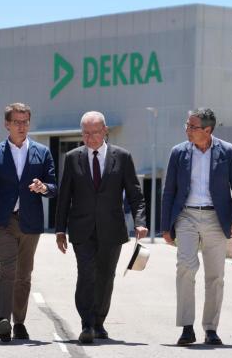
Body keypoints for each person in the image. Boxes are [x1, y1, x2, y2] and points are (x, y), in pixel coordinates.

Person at [55, 111, 148, 344]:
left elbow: (136, 194)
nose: (90, 138)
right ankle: (86, 323)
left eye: (95, 133)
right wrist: (59, 230)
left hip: (112, 229)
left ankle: (99, 322)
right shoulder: (73, 157)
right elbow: (64, 196)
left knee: (106, 276)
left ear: (105, 130)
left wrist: (140, 221)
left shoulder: (123, 157)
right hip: (81, 229)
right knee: (86, 274)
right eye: (85, 134)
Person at [160, 108, 232, 346]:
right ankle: (187, 328)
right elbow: (169, 191)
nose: (187, 130)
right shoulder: (178, 152)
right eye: (186, 125)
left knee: (215, 276)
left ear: (207, 130)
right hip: (186, 216)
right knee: (186, 267)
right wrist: (166, 227)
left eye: (192, 127)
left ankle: (211, 328)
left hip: (216, 218)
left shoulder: (227, 152)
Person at [0, 103, 57, 342]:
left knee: (24, 274)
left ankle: (19, 322)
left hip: (30, 222)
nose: (21, 126)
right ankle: (3, 320)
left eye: (25, 122)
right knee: (7, 271)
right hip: (3, 222)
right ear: (7, 124)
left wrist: (44, 188)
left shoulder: (42, 152)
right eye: (17, 122)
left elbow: (54, 187)